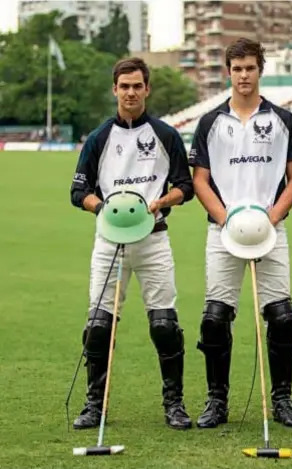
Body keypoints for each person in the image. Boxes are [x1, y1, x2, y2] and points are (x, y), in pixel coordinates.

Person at [69, 57, 195, 430]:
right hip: (110, 240)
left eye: (137, 85)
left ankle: (175, 403)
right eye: (124, 86)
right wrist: (103, 206)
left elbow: (184, 186)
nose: (131, 92)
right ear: (115, 90)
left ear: (147, 89)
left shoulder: (165, 135)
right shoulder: (98, 138)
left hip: (153, 239)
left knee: (164, 324)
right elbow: (79, 190)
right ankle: (96, 404)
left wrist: (162, 202)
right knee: (98, 324)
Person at [188, 38, 292, 429]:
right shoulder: (210, 122)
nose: (243, 75)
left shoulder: (282, 120)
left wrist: (272, 216)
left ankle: (283, 399)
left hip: (271, 230)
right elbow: (200, 180)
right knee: (215, 318)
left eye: (250, 68)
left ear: (260, 70)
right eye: (236, 69)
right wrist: (226, 219)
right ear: (228, 72)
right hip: (223, 232)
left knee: (283, 317)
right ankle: (216, 401)